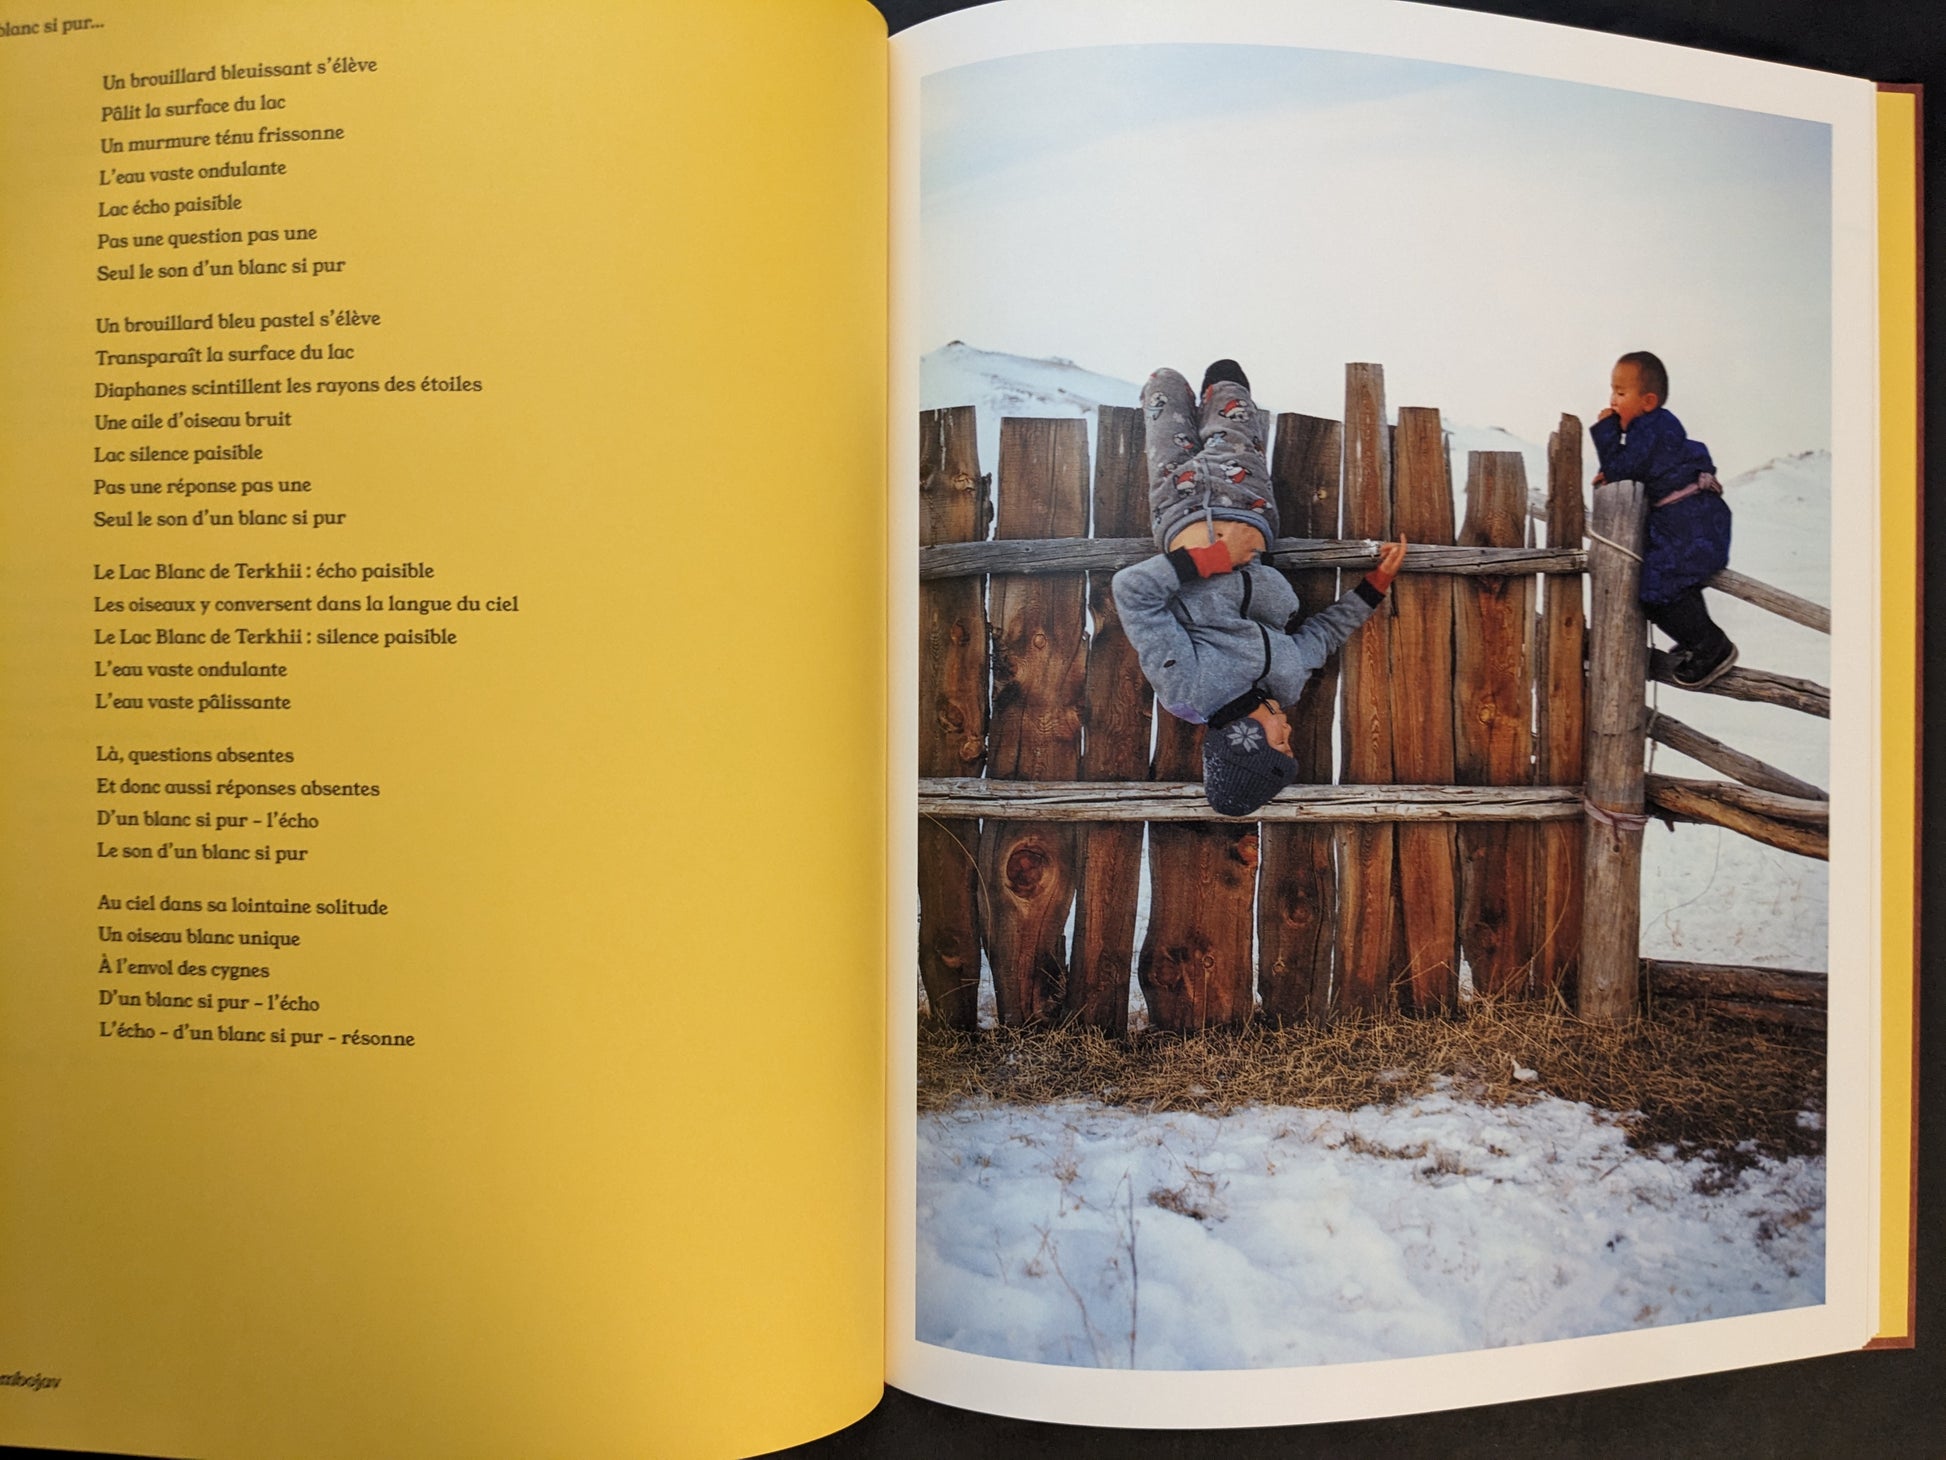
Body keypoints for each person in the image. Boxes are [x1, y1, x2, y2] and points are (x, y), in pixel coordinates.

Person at [1111, 360, 1406, 817]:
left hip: (1179, 510)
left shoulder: (1188, 690)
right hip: (1246, 503)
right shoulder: (1286, 682)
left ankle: (1174, 387)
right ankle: (1219, 386)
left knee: (1163, 387)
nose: (1289, 731)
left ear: (1242, 742)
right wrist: (1376, 585)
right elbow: (1323, 636)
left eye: (1280, 743)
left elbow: (1133, 593)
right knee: (1231, 394)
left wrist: (1215, 559)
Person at [1591, 350, 1737, 688]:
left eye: (1621, 393)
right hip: (1694, 522)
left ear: (1648, 401)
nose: (1612, 401)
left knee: (1655, 590)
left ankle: (1710, 645)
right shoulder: (1657, 428)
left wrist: (1606, 429)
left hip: (1691, 525)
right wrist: (1614, 475)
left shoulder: (1650, 428)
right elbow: (1638, 469)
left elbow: (1625, 467)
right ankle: (1695, 638)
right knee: (1665, 585)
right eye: (1612, 391)